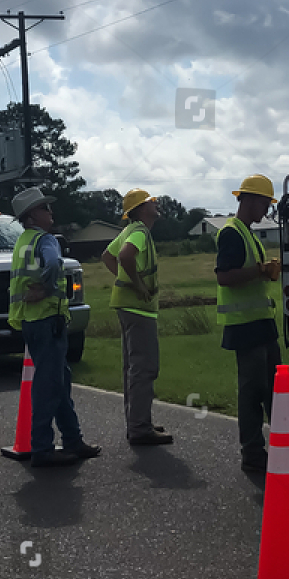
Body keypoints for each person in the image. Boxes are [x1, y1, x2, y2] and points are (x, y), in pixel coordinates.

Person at [214, 175, 289, 470]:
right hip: (245, 326)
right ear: (246, 200)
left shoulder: (247, 233)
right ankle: (253, 453)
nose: (266, 209)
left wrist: (263, 270)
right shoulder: (232, 233)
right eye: (263, 203)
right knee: (252, 391)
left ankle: (286, 444)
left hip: (260, 323)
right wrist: (260, 270)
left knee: (276, 389)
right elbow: (224, 276)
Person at [8, 187, 100, 468]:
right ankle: (43, 449)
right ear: (33, 214)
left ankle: (73, 440)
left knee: (58, 382)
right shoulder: (46, 240)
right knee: (49, 386)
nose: (51, 212)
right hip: (49, 320)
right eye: (45, 208)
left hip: (31, 321)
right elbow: (54, 264)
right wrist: (47, 288)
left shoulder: (23, 240)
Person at [101, 189, 172, 446]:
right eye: (151, 201)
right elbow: (124, 256)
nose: (156, 203)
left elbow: (107, 256)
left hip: (126, 307)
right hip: (139, 309)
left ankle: (137, 422)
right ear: (142, 209)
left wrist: (124, 280)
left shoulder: (129, 230)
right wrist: (138, 285)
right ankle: (141, 427)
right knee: (145, 367)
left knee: (132, 368)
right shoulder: (140, 232)